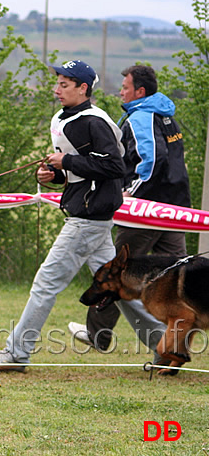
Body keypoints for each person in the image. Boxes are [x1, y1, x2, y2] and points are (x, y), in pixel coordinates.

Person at [0, 60, 166, 372]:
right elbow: (82, 173)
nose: (57, 89)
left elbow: (114, 169)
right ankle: (167, 346)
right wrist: (53, 175)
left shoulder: (94, 121)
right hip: (90, 219)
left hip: (87, 221)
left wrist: (66, 160)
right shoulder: (64, 119)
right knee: (119, 287)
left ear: (83, 88)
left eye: (65, 85)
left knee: (45, 284)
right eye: (58, 83)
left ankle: (15, 355)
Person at [68, 65, 191, 354]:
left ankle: (97, 334)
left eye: (125, 87)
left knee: (116, 270)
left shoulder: (141, 116)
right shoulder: (166, 116)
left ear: (140, 92)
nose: (120, 91)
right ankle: (176, 345)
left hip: (147, 210)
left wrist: (128, 193)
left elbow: (151, 160)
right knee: (176, 278)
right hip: (174, 209)